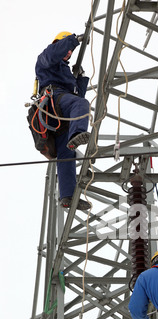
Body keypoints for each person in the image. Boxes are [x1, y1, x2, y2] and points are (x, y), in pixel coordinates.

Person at [35, 31, 91, 210]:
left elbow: (76, 96)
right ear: (58, 44)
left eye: (70, 51)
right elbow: (54, 53)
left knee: (67, 154)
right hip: (53, 99)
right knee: (82, 104)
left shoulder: (65, 71)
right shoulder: (47, 58)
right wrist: (73, 40)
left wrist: (80, 80)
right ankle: (78, 133)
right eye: (66, 48)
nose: (69, 53)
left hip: (61, 116)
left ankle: (67, 196)